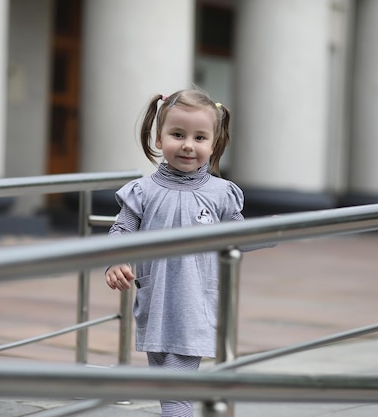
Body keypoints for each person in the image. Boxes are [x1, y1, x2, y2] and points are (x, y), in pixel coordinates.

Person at [105, 88, 267, 417]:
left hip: (196, 306)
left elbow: (239, 238)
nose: (188, 145)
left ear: (214, 143)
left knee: (176, 390)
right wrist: (116, 259)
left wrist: (276, 231)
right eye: (178, 134)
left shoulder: (222, 194)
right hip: (155, 304)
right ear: (159, 137)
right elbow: (122, 230)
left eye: (199, 137)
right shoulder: (143, 191)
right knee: (168, 388)